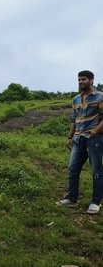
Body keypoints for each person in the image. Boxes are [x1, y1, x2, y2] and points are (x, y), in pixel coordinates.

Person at [59, 70, 103, 214]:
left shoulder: (100, 97)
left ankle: (96, 202)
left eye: (83, 79)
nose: (80, 82)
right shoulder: (76, 99)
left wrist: (96, 131)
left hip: (94, 138)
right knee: (73, 169)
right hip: (78, 138)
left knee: (96, 170)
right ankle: (72, 199)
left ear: (91, 80)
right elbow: (74, 119)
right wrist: (70, 137)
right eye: (79, 80)